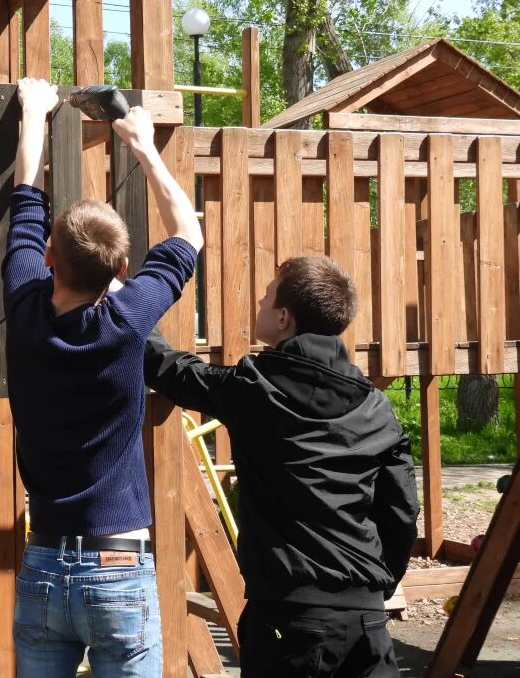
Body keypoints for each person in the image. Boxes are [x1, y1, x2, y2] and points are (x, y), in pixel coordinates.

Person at [3, 77, 203, 677]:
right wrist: (143, 145)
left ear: (47, 260)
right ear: (121, 267)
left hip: (43, 562)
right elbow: (188, 234)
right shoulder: (127, 315)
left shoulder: (24, 302)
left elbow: (25, 208)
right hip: (119, 563)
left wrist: (34, 115)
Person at [143, 255, 420, 678]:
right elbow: (401, 511)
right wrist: (376, 584)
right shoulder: (376, 408)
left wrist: (130, 307)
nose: (259, 298)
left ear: (284, 318)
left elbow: (174, 371)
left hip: (287, 620)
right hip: (367, 623)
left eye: (267, 295)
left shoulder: (255, 390)